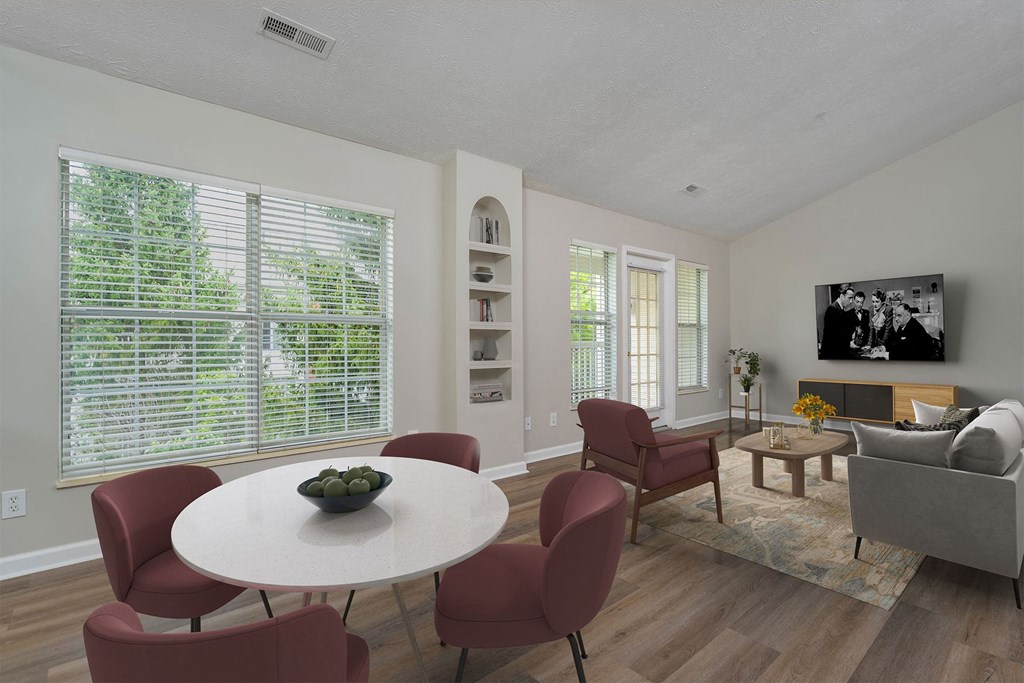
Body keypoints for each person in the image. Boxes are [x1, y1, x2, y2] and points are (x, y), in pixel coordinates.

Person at [820, 284, 854, 359]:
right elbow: (834, 337)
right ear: (842, 296)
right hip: (830, 354)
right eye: (849, 298)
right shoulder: (832, 309)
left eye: (852, 298)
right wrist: (849, 343)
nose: (851, 301)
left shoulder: (839, 309)